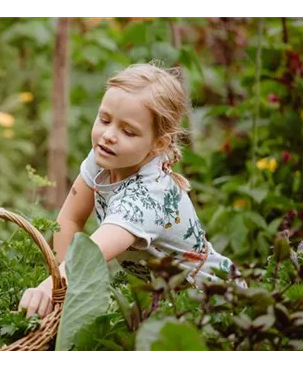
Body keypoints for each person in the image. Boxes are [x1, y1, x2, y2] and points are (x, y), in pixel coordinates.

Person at [18, 62, 245, 318]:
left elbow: (90, 255)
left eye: (128, 131)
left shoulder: (148, 197)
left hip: (214, 303)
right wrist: (59, 286)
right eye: (104, 119)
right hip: (164, 301)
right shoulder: (105, 158)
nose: (108, 136)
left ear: (158, 144)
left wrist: (51, 287)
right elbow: (70, 219)